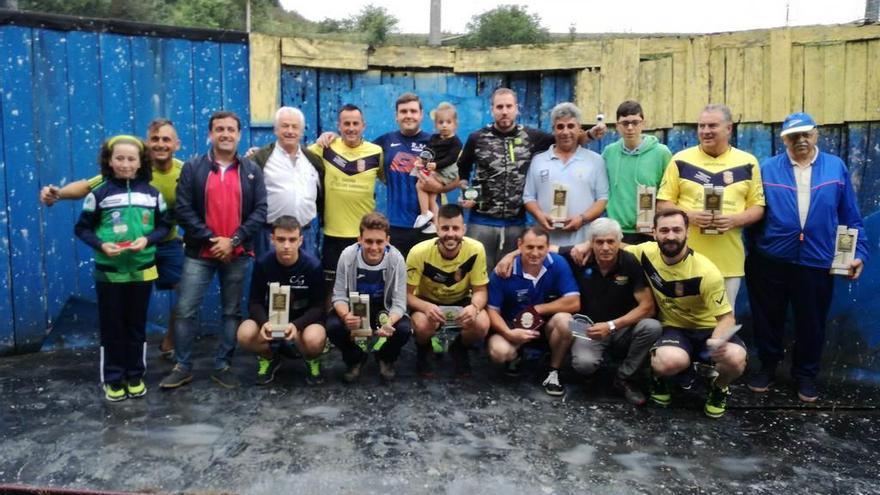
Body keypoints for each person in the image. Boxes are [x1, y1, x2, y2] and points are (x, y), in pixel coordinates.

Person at [745, 112, 869, 402]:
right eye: (793, 135)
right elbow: (756, 214)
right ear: (783, 138)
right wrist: (755, 254)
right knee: (767, 318)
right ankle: (767, 368)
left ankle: (806, 375)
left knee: (811, 322)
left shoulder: (834, 168)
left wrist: (859, 252)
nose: (800, 140)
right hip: (771, 260)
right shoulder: (767, 169)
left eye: (806, 134)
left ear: (816, 134)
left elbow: (850, 215)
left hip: (816, 260)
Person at [40, 119, 186, 359]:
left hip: (167, 242)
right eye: (155, 139)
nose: (160, 144)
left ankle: (169, 343)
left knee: (188, 293)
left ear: (176, 144)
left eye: (166, 139)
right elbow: (87, 186)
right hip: (129, 251)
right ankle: (120, 360)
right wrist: (58, 194)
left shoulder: (184, 170)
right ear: (147, 144)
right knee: (125, 308)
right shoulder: (130, 169)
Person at [160, 111, 267, 390]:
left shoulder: (252, 171)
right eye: (219, 129)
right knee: (185, 310)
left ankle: (223, 365)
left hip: (238, 252)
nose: (225, 134)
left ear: (239, 135)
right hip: (199, 253)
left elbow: (260, 211)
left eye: (231, 129)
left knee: (231, 311)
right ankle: (182, 365)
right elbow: (183, 210)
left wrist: (233, 240)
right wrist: (212, 240)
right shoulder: (193, 168)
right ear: (210, 134)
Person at [457, 87, 606, 269]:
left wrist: (590, 134)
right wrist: (466, 191)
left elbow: (565, 138)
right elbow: (462, 170)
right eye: (500, 107)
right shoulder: (476, 138)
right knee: (478, 272)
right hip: (481, 222)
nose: (504, 111)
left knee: (512, 273)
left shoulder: (532, 137)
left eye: (509, 106)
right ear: (492, 109)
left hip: (516, 224)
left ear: (517, 109)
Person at [74, 135, 170, 401]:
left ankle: (135, 375)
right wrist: (101, 244)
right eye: (120, 158)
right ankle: (113, 378)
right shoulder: (99, 194)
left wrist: (147, 239)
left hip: (142, 270)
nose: (125, 164)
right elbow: (81, 228)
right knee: (112, 325)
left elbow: (165, 226)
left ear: (141, 162)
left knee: (136, 325)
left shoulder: (152, 194)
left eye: (131, 159)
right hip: (109, 273)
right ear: (109, 161)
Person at [624, 209, 746, 418]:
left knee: (736, 358)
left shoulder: (707, 272)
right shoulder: (645, 252)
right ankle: (660, 378)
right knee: (668, 361)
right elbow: (617, 246)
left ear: (687, 232)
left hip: (708, 331)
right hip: (675, 329)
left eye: (677, 230)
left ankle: (719, 387)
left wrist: (717, 341)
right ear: (654, 233)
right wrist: (584, 245)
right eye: (664, 230)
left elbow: (727, 318)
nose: (670, 236)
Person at [656, 104, 764, 310]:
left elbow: (758, 208)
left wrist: (734, 220)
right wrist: (689, 217)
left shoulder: (748, 162)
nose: (705, 131)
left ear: (729, 129)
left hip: (727, 263)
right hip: (684, 260)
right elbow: (662, 204)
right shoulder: (680, 160)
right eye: (701, 126)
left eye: (712, 125)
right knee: (685, 322)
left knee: (722, 326)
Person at [556, 218, 661, 406]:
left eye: (610, 241)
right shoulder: (579, 256)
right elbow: (544, 248)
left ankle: (624, 378)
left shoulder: (630, 261)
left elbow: (647, 307)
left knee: (652, 326)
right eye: (599, 242)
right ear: (591, 243)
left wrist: (611, 325)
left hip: (621, 328)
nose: (605, 247)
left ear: (619, 242)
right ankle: (588, 372)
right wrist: (510, 255)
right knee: (583, 365)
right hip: (588, 327)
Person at [486, 227, 580, 396]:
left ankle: (554, 371)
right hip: (513, 326)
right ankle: (516, 356)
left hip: (545, 326)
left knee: (568, 322)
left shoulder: (558, 263)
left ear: (548, 247)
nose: (535, 253)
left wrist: (538, 309)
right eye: (530, 247)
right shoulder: (503, 270)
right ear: (520, 245)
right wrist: (509, 333)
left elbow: (574, 303)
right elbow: (492, 311)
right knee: (499, 352)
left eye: (540, 247)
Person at [235, 216, 327, 386]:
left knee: (314, 340)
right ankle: (269, 356)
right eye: (281, 239)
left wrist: (297, 325)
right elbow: (254, 301)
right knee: (244, 334)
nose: (286, 245)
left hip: (302, 322)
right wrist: (264, 323)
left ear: (300, 241)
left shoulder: (312, 266)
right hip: (271, 320)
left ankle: (311, 359)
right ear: (272, 240)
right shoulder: (263, 263)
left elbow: (318, 307)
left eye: (292, 240)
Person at [407, 203, 491, 378]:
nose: (450, 234)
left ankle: (459, 348)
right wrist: (425, 307)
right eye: (445, 228)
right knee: (423, 325)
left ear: (464, 229)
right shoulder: (418, 252)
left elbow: (481, 291)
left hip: (461, 300)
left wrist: (474, 307)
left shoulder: (476, 249)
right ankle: (425, 349)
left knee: (482, 324)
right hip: (427, 300)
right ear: (437, 229)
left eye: (456, 228)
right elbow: (405, 295)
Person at [326, 212, 412, 383]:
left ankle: (385, 358)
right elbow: (339, 296)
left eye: (379, 241)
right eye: (369, 241)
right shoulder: (347, 256)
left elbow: (400, 302)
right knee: (333, 326)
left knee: (403, 329)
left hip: (383, 309)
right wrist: (345, 316)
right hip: (355, 309)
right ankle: (355, 358)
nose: (374, 247)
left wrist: (389, 322)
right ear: (360, 239)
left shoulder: (396, 259)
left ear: (387, 240)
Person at [309, 104, 384, 289]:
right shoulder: (325, 147)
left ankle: (361, 319)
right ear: (339, 126)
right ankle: (331, 318)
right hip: (333, 234)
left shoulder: (376, 152)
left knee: (364, 287)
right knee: (331, 288)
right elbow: (293, 155)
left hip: (364, 235)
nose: (351, 128)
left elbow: (391, 179)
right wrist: (257, 154)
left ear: (363, 126)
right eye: (346, 123)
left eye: (355, 123)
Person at [523, 102, 608, 246]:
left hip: (582, 244)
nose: (565, 132)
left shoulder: (595, 160)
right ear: (553, 130)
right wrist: (539, 215)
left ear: (579, 129)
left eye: (570, 126)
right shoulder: (538, 160)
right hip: (546, 245)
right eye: (560, 126)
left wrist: (582, 219)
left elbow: (602, 199)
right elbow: (528, 197)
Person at [248, 107, 324, 258]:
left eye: (295, 127)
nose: (290, 131)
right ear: (276, 130)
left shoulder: (313, 160)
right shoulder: (261, 158)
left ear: (301, 131)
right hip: (270, 235)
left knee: (305, 280)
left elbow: (322, 195)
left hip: (304, 235)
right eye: (285, 126)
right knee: (269, 279)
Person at [602, 100, 672, 244]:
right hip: (617, 231)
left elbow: (669, 191)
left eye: (635, 122)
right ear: (617, 126)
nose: (630, 127)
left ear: (643, 124)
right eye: (624, 123)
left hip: (649, 230)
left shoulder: (661, 153)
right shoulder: (609, 153)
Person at [413, 102, 463, 234]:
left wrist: (436, 165)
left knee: (420, 184)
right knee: (432, 196)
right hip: (436, 169)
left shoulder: (456, 142)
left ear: (455, 124)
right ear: (436, 125)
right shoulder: (434, 138)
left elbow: (451, 158)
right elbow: (428, 150)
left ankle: (425, 213)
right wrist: (422, 161)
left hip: (447, 172)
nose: (444, 125)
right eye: (441, 122)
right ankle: (435, 223)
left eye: (448, 122)